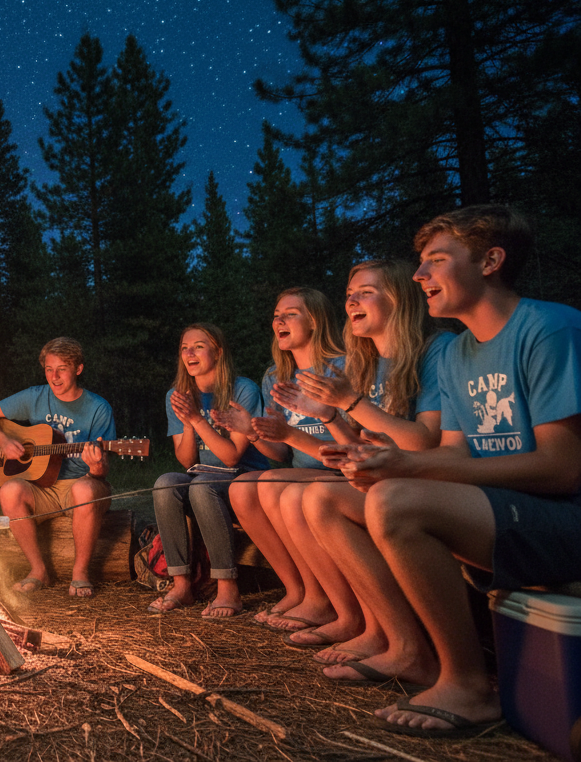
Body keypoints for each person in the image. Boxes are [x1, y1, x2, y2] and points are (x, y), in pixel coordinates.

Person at [322, 205, 581, 737]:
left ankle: (467, 682)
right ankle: (419, 652)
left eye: (436, 261)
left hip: (564, 517)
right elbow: (460, 453)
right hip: (512, 511)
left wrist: (406, 473)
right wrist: (393, 463)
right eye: (420, 265)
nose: (420, 277)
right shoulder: (462, 351)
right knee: (390, 488)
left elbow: (563, 467)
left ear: (490, 260)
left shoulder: (549, 328)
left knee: (398, 502)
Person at [280, 261, 451, 666]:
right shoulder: (368, 362)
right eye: (349, 295)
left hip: (431, 480)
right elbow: (359, 442)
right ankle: (375, 629)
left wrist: (347, 403)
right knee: (312, 498)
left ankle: (406, 645)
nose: (352, 300)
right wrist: (327, 417)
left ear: (400, 300)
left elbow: (424, 442)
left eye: (366, 292)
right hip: (388, 480)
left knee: (318, 496)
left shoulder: (435, 349)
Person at [216, 288, 351, 629]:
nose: (279, 320)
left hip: (342, 471)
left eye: (290, 313)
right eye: (276, 315)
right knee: (242, 489)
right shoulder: (275, 377)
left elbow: (355, 443)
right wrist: (251, 431)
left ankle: (321, 600)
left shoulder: (345, 366)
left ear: (315, 321)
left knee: (279, 488)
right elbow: (279, 454)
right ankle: (297, 589)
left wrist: (296, 430)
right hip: (302, 470)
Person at [0, 337, 114, 598]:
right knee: (9, 490)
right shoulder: (34, 396)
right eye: (49, 369)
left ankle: (81, 573)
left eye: (62, 368)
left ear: (78, 369)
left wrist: (96, 465)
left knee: (85, 488)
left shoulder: (98, 408)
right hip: (43, 488)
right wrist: (4, 440)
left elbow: (101, 473)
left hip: (82, 484)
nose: (55, 376)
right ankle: (38, 570)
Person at [147, 324, 270, 617]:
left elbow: (231, 457)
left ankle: (227, 587)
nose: (189, 353)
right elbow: (186, 460)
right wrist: (188, 422)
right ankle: (181, 584)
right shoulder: (177, 395)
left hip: (242, 477)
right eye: (184, 348)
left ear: (218, 352)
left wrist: (197, 418)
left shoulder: (242, 389)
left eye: (199, 346)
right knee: (165, 484)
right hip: (201, 475)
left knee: (202, 486)